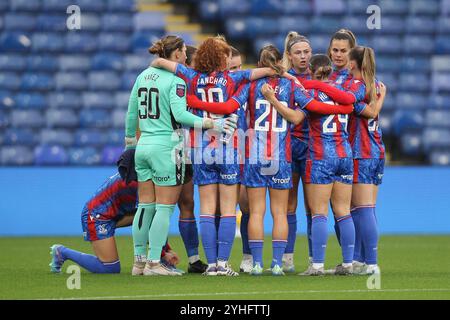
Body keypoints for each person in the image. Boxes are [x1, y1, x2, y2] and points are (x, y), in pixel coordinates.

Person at [188, 47, 353, 276]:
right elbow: (298, 117)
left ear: (259, 63)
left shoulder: (250, 86)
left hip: (255, 154)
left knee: (255, 212)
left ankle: (256, 264)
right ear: (281, 61)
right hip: (280, 155)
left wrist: (193, 100)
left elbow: (231, 107)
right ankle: (276, 264)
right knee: (280, 212)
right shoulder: (292, 85)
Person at [150, 36, 296, 276]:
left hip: (201, 148)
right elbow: (268, 70)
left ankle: (211, 265)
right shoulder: (233, 77)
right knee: (228, 209)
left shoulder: (191, 76)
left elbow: (159, 63)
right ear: (222, 58)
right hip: (228, 149)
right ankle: (223, 263)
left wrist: (158, 69)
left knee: (207, 208)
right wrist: (285, 74)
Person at [125, 35, 237, 276]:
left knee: (145, 206)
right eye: (185, 51)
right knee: (164, 208)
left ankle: (138, 262)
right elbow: (182, 115)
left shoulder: (142, 76)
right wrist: (211, 123)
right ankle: (154, 263)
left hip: (143, 145)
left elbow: (131, 113)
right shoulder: (176, 81)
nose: (187, 56)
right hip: (167, 146)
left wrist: (129, 144)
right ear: (176, 54)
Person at [263, 54, 357, 276]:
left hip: (321, 156)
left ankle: (317, 266)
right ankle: (349, 263)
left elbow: (296, 118)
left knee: (319, 213)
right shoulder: (343, 94)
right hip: (345, 155)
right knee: (344, 211)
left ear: (312, 71)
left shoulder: (310, 93)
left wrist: (273, 101)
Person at [49, 165, 181, 274]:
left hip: (115, 214)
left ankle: (160, 262)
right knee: (109, 268)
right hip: (96, 215)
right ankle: (62, 252)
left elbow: (153, 218)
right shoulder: (142, 183)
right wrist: (164, 253)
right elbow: (145, 222)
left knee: (153, 214)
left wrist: (167, 250)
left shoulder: (145, 172)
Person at [281, 31, 313, 272]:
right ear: (290, 56)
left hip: (314, 148)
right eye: (298, 53)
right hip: (290, 146)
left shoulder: (320, 78)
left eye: (306, 52)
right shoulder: (283, 79)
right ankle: (287, 258)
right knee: (289, 205)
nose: (303, 56)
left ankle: (315, 260)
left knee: (314, 207)